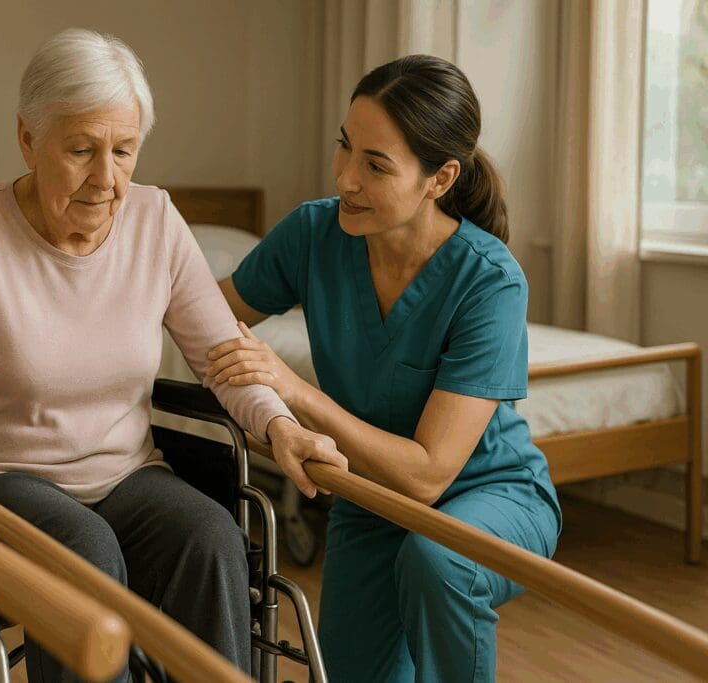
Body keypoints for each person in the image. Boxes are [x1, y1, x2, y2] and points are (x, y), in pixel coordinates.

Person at [0, 28, 346, 681]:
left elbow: (222, 356)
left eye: (124, 151)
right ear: (27, 140)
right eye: (82, 149)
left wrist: (280, 426)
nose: (107, 178)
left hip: (128, 475)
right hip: (5, 481)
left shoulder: (156, 220)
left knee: (210, 537)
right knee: (83, 551)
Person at [206, 55, 561, 682]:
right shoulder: (314, 234)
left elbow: (427, 477)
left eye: (375, 165)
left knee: (437, 559)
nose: (345, 178)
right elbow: (209, 315)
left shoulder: (490, 281)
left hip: (490, 494)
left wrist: (291, 391)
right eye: (345, 148)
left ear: (440, 178)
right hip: (369, 499)